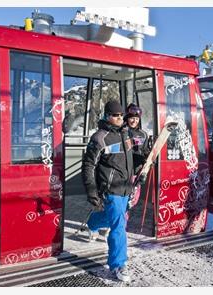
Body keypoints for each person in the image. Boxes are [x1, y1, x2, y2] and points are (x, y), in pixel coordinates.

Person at [82, 100, 134, 282]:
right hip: (110, 189)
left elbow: (128, 160)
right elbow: (88, 166)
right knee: (119, 225)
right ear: (107, 116)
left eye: (121, 115)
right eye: (115, 115)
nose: (119, 118)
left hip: (126, 187)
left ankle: (93, 223)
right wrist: (92, 191)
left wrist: (138, 173)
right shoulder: (99, 138)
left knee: (115, 218)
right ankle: (118, 264)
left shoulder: (126, 134)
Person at [124, 103, 151, 209]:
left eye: (137, 118)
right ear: (127, 118)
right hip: (124, 172)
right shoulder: (122, 132)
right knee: (124, 200)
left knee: (133, 200)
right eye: (132, 118)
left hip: (137, 171)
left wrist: (148, 157)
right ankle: (121, 223)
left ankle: (121, 220)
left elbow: (144, 150)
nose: (134, 121)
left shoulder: (143, 134)